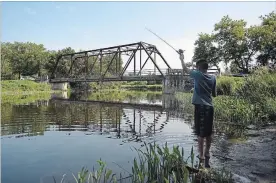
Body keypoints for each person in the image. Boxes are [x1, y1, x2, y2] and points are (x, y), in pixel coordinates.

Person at [179, 50, 217, 168]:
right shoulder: (213, 77)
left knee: (200, 133)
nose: (195, 68)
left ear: (199, 68)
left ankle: (201, 156)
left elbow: (185, 69)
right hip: (210, 107)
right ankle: (207, 153)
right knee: (209, 132)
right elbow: (214, 94)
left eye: (196, 67)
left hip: (200, 107)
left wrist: (181, 58)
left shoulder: (198, 74)